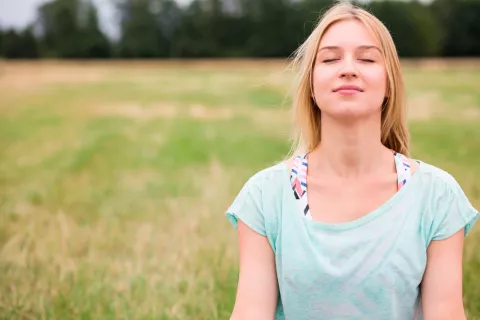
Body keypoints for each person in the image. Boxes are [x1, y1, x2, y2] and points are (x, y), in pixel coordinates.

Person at [224, 1, 479, 319]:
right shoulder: (264, 196)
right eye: (330, 59)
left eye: (367, 58)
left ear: (389, 84)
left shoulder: (438, 197)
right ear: (312, 87)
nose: (348, 68)